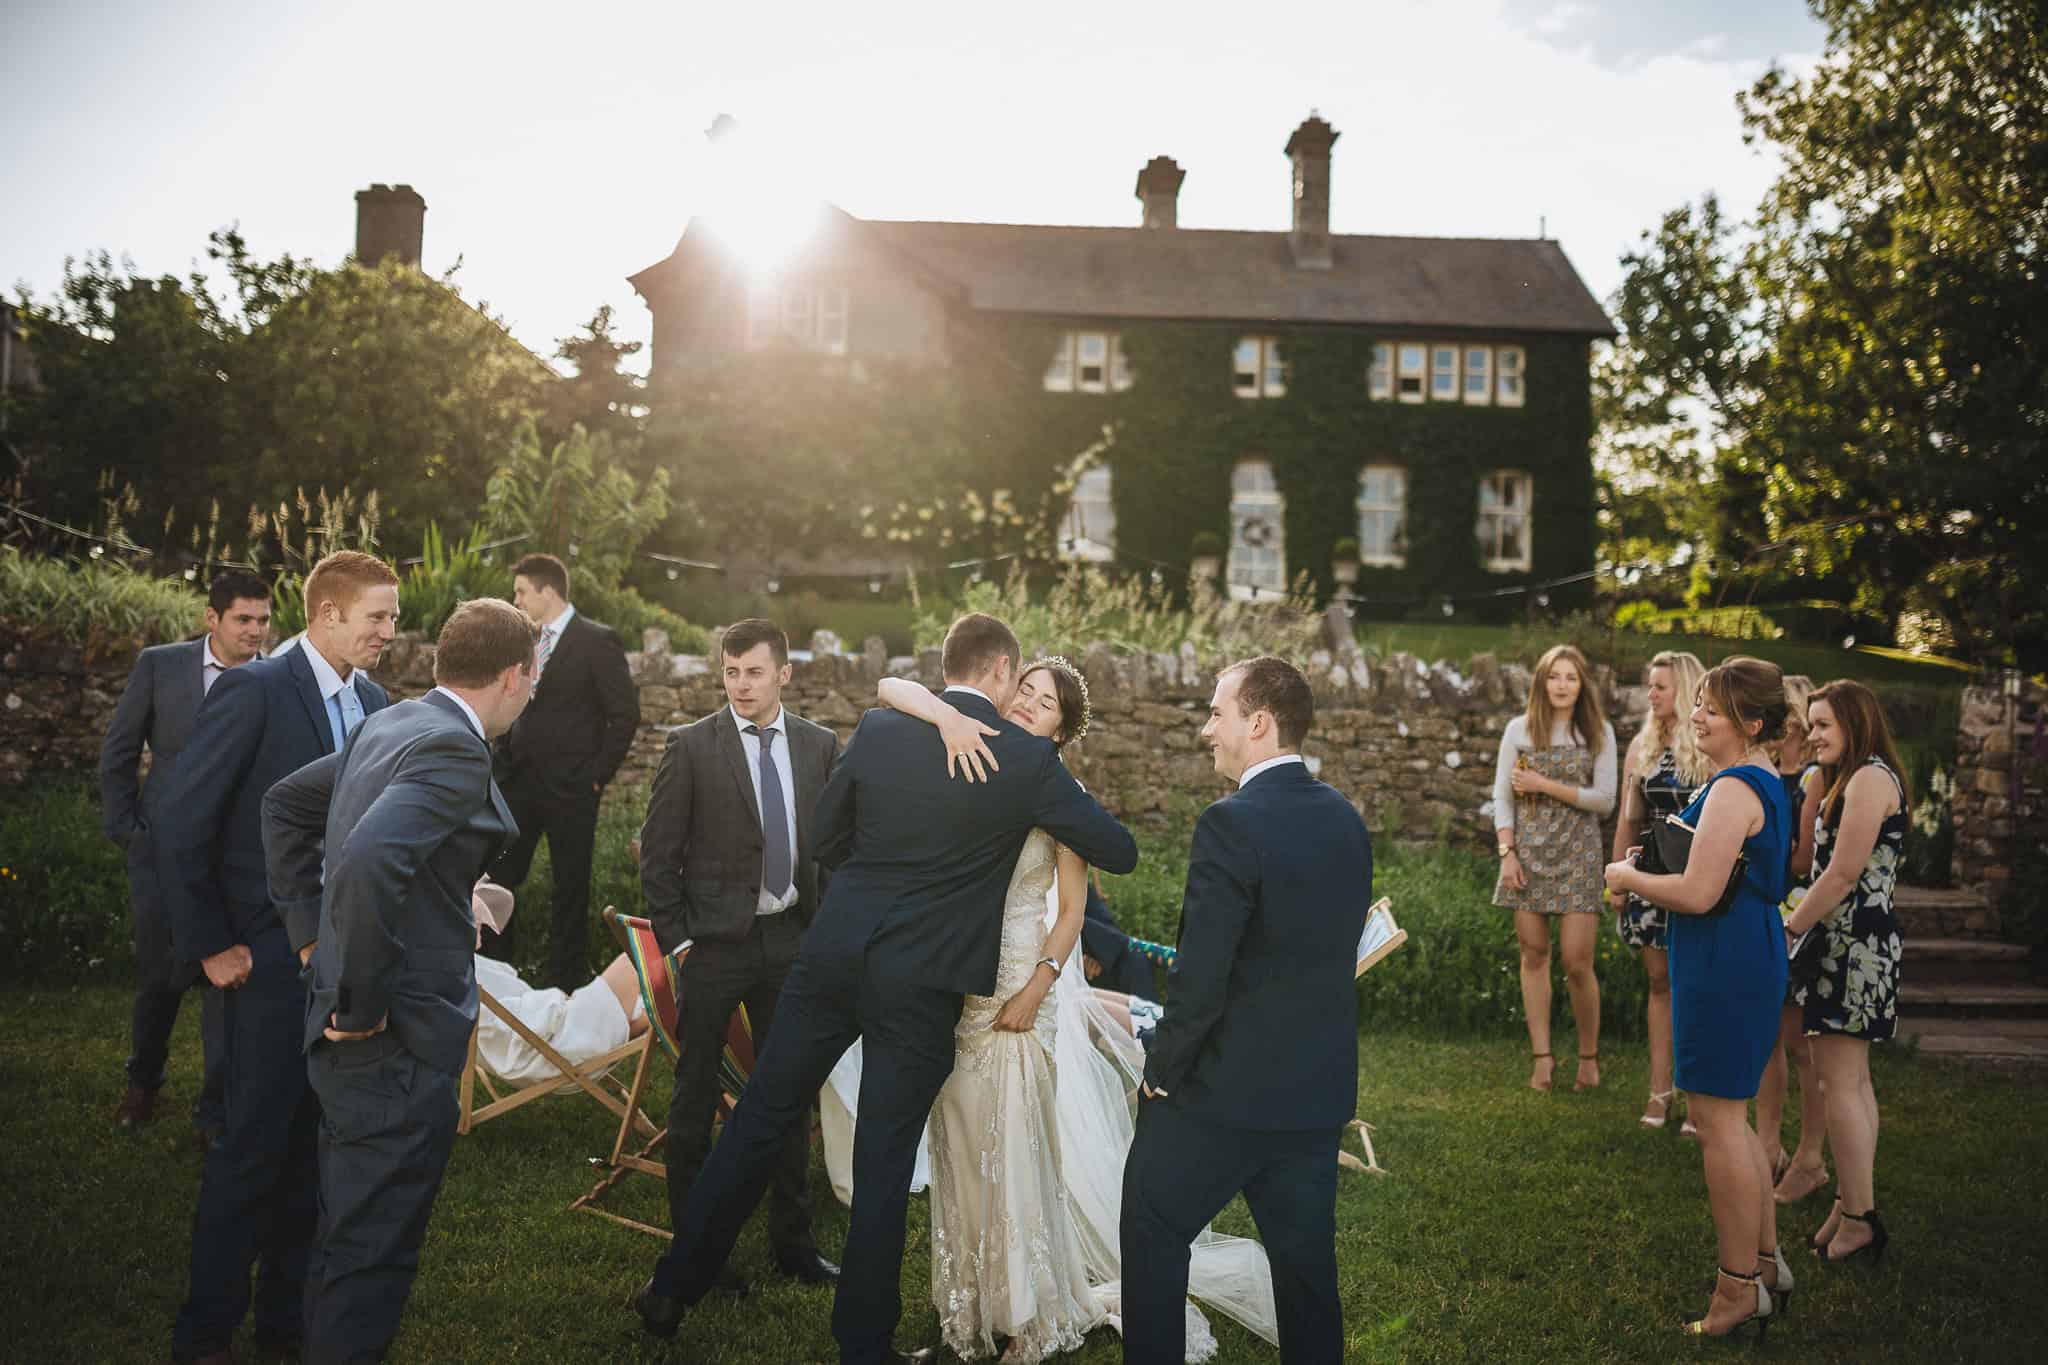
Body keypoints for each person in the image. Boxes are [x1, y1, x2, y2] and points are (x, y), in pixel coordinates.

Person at [631, 613, 1138, 1365]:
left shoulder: (878, 728)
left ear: (950, 664)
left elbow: (826, 838)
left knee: (761, 1116)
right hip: (924, 981)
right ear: (1000, 670)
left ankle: (671, 1288)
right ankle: (863, 1344)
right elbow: (1118, 851)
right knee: (883, 1161)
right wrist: (1040, 771)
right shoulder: (1027, 763)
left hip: (834, 952)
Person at [876, 662, 1280, 1362]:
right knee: (962, 1150)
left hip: (1016, 983)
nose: (1030, 705)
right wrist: (945, 715)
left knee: (1011, 1152)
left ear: (1064, 728)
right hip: (953, 988)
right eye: (1024, 692)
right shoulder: (973, 754)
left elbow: (1071, 911)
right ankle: (967, 1317)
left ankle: (1026, 1320)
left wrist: (1037, 986)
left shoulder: (1062, 794)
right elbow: (891, 689)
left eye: (1046, 702)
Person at [263, 597, 535, 1363]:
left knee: (344, 1230)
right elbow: (371, 857)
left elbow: (287, 810)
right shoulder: (454, 746)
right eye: (533, 680)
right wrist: (359, 997)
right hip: (391, 1040)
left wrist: (312, 937)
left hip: (354, 1036)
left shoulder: (388, 721)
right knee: (372, 1252)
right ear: (515, 675)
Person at [155, 550, 396, 1365]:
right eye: (379, 617)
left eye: (392, 618)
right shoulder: (255, 690)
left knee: (314, 1152)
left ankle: (284, 1328)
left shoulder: (376, 702)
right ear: (328, 613)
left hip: (337, 959)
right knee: (249, 1151)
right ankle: (205, 1334)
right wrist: (211, 944)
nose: (389, 633)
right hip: (258, 959)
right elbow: (181, 821)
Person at [1122, 656, 1373, 1365]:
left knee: (1151, 1223)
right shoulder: (1346, 820)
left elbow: (1201, 979)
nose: (1207, 729)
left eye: (1216, 712)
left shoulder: (1229, 823)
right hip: (1314, 1094)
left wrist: (1159, 1071)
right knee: (1305, 1272)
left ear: (1258, 722)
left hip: (1223, 1094)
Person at [637, 618, 840, 1288]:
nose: (741, 683)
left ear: (785, 672)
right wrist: (681, 944)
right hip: (715, 946)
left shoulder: (818, 745)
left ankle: (794, 1244)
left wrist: (823, 935)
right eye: (730, 671)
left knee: (786, 1095)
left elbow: (832, 851)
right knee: (695, 1098)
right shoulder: (691, 746)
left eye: (753, 671)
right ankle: (698, 1253)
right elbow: (659, 859)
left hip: (790, 941)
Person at [1604, 655, 1792, 1341]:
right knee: (1732, 1121)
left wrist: (1624, 872)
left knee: (1717, 1125)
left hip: (1724, 959)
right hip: (1743, 950)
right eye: (1700, 702)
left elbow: (1698, 892)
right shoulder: (1759, 780)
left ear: (1751, 722)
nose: (1697, 714)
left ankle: (1736, 1288)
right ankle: (1765, 1268)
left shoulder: (1738, 788)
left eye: (1712, 706)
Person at [98, 568, 270, 1138]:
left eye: (264, 620)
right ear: (211, 619)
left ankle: (215, 1111)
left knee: (232, 983)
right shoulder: (160, 664)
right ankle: (142, 1081)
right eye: (243, 619)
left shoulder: (273, 679)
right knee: (160, 974)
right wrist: (130, 831)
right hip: (161, 852)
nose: (255, 631)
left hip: (239, 857)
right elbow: (119, 750)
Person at [1783, 679, 1907, 1265]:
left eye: (1824, 725)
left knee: (1842, 1083)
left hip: (1853, 946)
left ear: (1855, 724)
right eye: (1811, 724)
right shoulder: (1853, 779)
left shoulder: (1868, 779)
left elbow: (1840, 876)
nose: (1813, 735)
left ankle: (1859, 1218)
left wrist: (1788, 930)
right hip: (1848, 943)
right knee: (1851, 1083)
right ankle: (1850, 1203)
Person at [491, 551, 639, 987]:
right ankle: (499, 975)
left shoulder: (597, 640)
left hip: (573, 788)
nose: (515, 599)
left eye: (521, 592)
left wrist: (597, 775)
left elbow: (624, 714)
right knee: (498, 879)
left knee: (570, 886)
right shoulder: (520, 640)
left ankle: (565, 981)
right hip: (517, 781)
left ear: (548, 591)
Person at [1493, 643, 1617, 1092]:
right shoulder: (1518, 731)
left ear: (1582, 685)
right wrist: (1508, 853)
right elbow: (1503, 799)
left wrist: (1545, 784)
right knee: (1533, 955)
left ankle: (1588, 1058)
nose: (1562, 685)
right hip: (1527, 854)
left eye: (1571, 677)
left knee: (1577, 961)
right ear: (1541, 683)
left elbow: (1605, 802)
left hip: (1579, 854)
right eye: (1554, 676)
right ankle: (1542, 1058)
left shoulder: (1597, 732)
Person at [1610, 649, 1711, 1131]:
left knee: (1693, 986)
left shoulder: (1708, 746)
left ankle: (1697, 1097)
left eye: (1661, 687)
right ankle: (1659, 1091)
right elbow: (1627, 819)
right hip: (1648, 878)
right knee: (1658, 984)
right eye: (1649, 685)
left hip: (1694, 878)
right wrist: (1615, 882)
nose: (1651, 694)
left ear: (1685, 691)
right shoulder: (1641, 746)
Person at [1756, 675, 1829, 1193]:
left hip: (1802, 907)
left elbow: (1805, 857)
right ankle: (1768, 1142)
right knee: (1771, 1037)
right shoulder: (1765, 770)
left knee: (1803, 1043)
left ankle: (1810, 1153)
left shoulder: (1814, 779)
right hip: (1770, 905)